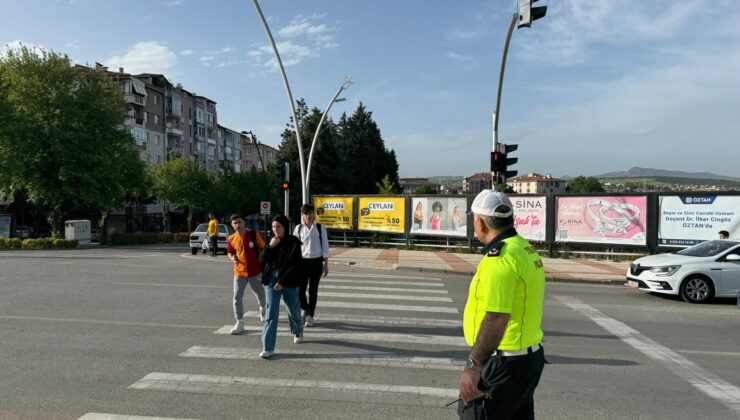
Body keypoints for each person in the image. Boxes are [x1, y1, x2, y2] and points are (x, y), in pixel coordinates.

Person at [458, 190, 546, 419]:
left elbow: (496, 318)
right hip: (527, 359)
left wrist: (473, 365)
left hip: (503, 364)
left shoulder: (499, 260)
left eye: (474, 219)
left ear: (481, 223)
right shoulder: (524, 249)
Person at [259, 214, 304, 359]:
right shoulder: (271, 241)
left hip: (289, 280)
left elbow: (295, 265)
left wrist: (282, 281)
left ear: (285, 226)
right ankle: (268, 347)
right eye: (273, 227)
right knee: (271, 314)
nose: (276, 229)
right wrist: (270, 246)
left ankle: (297, 330)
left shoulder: (294, 242)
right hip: (272, 279)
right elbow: (262, 260)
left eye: (278, 226)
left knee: (293, 309)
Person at [227, 214, 267, 335]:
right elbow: (230, 252)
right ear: (232, 225)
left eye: (239, 222)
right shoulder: (231, 238)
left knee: (261, 295)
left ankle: (262, 308)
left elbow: (264, 247)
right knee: (237, 297)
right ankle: (239, 322)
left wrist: (261, 256)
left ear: (243, 222)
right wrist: (232, 258)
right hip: (239, 272)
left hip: (255, 272)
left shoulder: (253, 234)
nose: (237, 225)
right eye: (234, 223)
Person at [293, 204, 330, 327]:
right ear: (302, 215)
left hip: (316, 262)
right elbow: (294, 247)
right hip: (302, 262)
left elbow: (325, 245)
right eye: (305, 213)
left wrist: (325, 263)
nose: (308, 216)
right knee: (300, 289)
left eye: (310, 213)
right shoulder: (298, 228)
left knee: (313, 290)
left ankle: (310, 315)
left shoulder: (320, 227)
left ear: (314, 214)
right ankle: (304, 308)